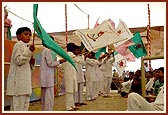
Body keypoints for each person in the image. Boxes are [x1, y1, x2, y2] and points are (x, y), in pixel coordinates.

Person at [6, 27, 35, 111]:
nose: (28, 36)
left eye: (30, 35)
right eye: (26, 34)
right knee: (17, 107)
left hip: (25, 83)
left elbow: (27, 68)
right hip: (19, 83)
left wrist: (32, 63)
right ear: (18, 36)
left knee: (24, 107)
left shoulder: (26, 47)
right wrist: (29, 51)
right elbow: (18, 61)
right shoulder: (18, 45)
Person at [39, 36, 66, 111]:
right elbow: (50, 63)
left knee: (45, 97)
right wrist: (60, 61)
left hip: (46, 76)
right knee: (49, 97)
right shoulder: (47, 50)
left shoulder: (45, 51)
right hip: (47, 77)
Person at [61, 43, 80, 111]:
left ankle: (72, 105)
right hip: (69, 75)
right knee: (69, 91)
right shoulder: (71, 55)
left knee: (71, 91)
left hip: (69, 74)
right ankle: (69, 107)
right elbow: (80, 61)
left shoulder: (65, 55)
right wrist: (81, 55)